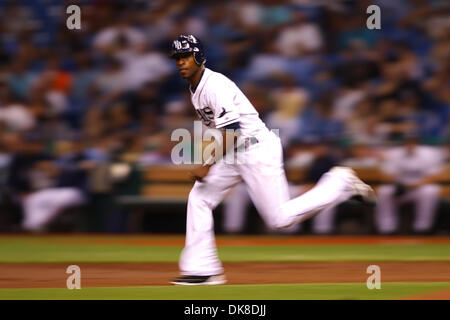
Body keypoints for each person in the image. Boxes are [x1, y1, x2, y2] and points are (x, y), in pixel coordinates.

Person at [168, 35, 375, 285]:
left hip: (256, 150)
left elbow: (232, 130)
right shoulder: (196, 88)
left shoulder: (214, 85)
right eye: (178, 58)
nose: (181, 62)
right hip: (234, 151)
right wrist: (211, 159)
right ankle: (203, 269)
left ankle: (340, 182)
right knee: (199, 197)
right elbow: (225, 134)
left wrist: (207, 164)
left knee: (279, 219)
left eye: (186, 56)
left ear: (199, 56)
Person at [375, 135, 445, 234]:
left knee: (429, 191)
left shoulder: (429, 154)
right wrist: (399, 184)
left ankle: (423, 228)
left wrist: (416, 184)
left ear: (417, 143)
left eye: (412, 142)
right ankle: (386, 228)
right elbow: (387, 175)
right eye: (407, 142)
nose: (410, 145)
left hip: (420, 187)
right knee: (384, 191)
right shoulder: (394, 154)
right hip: (400, 187)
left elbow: (435, 176)